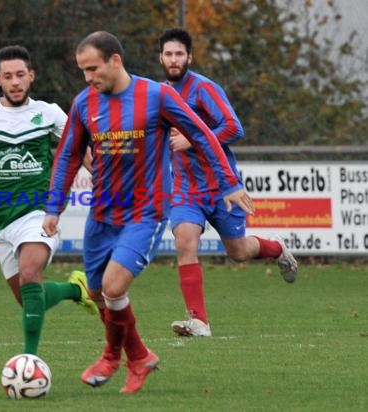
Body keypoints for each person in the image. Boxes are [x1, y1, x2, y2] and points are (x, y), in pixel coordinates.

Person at [42, 31, 254, 394]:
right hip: (102, 214)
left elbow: (202, 134)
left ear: (115, 61)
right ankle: (138, 356)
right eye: (83, 71)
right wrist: (54, 206)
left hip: (146, 211)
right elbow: (68, 156)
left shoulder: (156, 96)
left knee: (112, 287)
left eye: (92, 69)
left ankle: (112, 355)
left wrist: (229, 182)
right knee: (95, 292)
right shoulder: (84, 103)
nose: (88, 78)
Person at [0, 45, 98, 356]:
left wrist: (101, 176)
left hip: (39, 211)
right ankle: (76, 289)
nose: (15, 82)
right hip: (1, 220)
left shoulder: (49, 113)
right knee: (30, 297)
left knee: (30, 274)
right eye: (8, 76)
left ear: (31, 76)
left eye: (20, 75)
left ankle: (29, 362)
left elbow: (78, 147)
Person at [158, 28, 299, 338]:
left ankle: (276, 249)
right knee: (184, 240)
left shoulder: (203, 89)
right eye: (168, 54)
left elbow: (234, 128)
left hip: (223, 187)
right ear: (161, 57)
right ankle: (199, 321)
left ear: (189, 57)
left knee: (237, 251)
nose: (173, 59)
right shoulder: (159, 95)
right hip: (185, 189)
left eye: (179, 53)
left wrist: (192, 140)